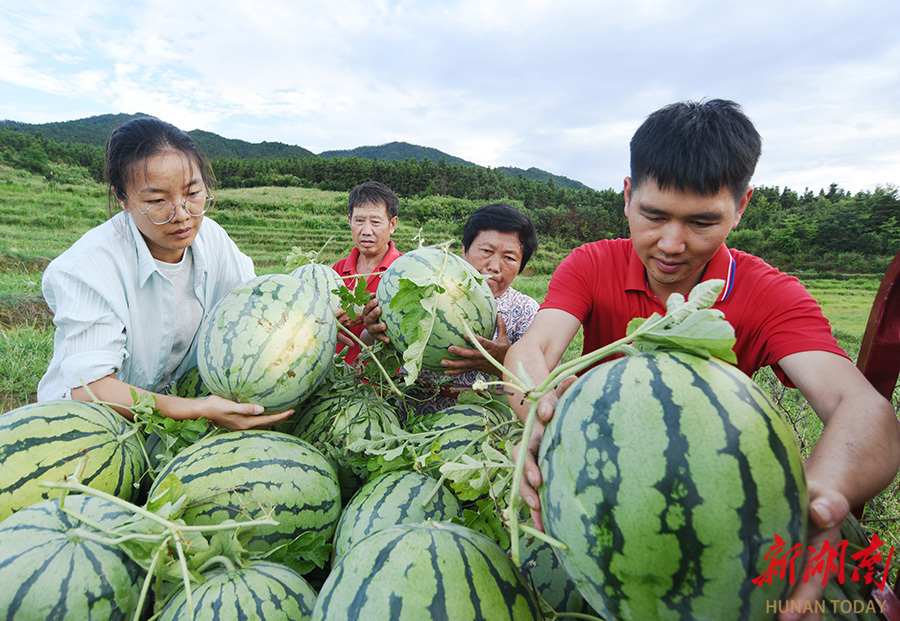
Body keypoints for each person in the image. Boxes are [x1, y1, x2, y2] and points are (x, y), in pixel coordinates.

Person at [505, 99, 900, 620]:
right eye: (653, 215)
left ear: (742, 207)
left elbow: (864, 408)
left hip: (717, 521)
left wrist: (823, 493)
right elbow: (532, 349)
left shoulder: (770, 294)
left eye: (702, 222)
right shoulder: (591, 264)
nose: (671, 244)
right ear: (627, 196)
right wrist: (540, 415)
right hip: (597, 506)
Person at [38, 117, 291, 430]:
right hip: (86, 426)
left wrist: (316, 315)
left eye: (193, 193)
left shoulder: (212, 238)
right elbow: (91, 390)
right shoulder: (86, 269)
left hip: (168, 418)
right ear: (122, 198)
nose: (182, 215)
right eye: (157, 201)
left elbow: (253, 302)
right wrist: (199, 410)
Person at [364, 202, 540, 414]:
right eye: (486, 251)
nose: (494, 266)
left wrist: (502, 363)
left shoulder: (527, 312)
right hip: (407, 417)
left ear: (521, 266)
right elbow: (373, 343)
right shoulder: (426, 288)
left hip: (483, 426)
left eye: (509, 258)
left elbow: (544, 388)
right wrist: (373, 330)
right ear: (464, 250)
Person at [332, 181, 402, 365]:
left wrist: (363, 314)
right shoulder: (337, 270)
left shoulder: (403, 272)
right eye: (359, 221)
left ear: (392, 224)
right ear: (350, 221)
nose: (366, 231)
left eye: (375, 222)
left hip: (386, 378)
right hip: (339, 375)